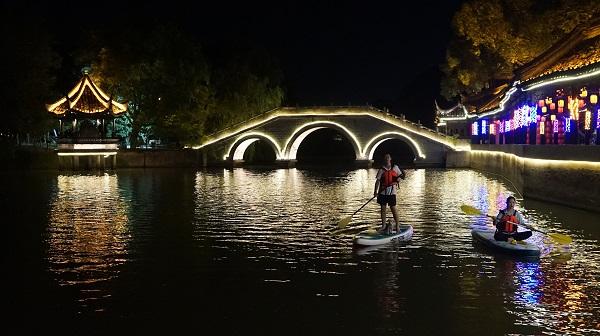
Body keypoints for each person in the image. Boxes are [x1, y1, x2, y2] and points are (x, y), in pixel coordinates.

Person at [373, 153, 406, 234]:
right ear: (384, 160)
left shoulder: (395, 168)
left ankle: (397, 226)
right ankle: (383, 226)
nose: (387, 158)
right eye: (385, 157)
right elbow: (377, 181)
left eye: (388, 157)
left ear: (390, 159)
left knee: (393, 209)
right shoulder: (381, 170)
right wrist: (375, 192)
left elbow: (402, 177)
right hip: (382, 193)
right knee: (383, 209)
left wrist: (403, 175)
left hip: (392, 193)